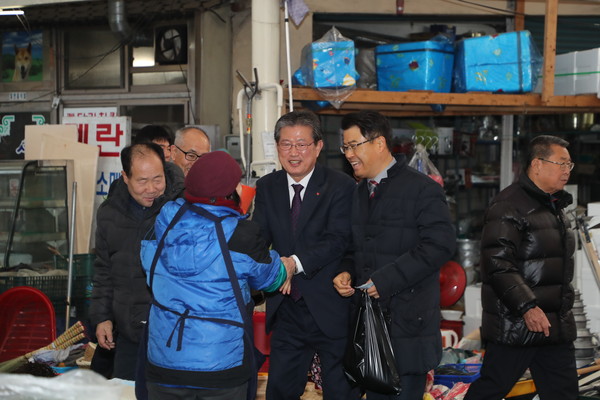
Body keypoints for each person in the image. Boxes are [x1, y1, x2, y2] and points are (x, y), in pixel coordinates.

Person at [140, 151, 293, 400]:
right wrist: (287, 265)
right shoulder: (241, 234)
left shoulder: (164, 221)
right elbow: (271, 279)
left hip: (163, 362)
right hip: (221, 365)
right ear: (232, 188)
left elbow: (149, 269)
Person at [333, 110, 456, 400]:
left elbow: (439, 245)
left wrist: (387, 280)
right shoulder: (357, 193)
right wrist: (345, 271)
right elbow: (353, 247)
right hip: (368, 330)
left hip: (407, 328)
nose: (349, 154)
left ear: (379, 143)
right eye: (345, 147)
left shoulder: (422, 189)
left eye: (354, 145)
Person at [252, 110, 358, 400]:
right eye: (286, 144)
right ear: (277, 147)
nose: (294, 152)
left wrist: (293, 264)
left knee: (340, 392)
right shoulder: (267, 186)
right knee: (280, 391)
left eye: (302, 144)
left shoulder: (341, 186)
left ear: (319, 146)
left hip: (329, 306)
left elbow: (338, 240)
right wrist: (275, 268)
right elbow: (258, 239)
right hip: (287, 308)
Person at [464, 135, 577, 400]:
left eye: (569, 165)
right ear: (537, 164)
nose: (566, 171)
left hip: (552, 324)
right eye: (561, 163)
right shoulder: (509, 205)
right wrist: (527, 307)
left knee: (564, 393)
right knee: (492, 389)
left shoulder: (554, 204)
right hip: (517, 324)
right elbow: (497, 263)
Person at [89, 142, 184, 380]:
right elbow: (103, 270)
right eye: (142, 181)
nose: (151, 188)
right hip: (129, 332)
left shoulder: (181, 210)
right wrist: (102, 317)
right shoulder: (109, 214)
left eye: (157, 179)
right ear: (125, 177)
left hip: (175, 335)